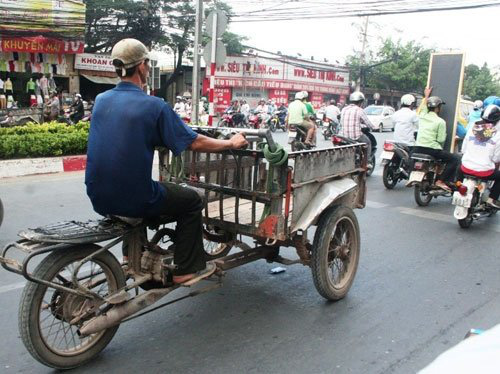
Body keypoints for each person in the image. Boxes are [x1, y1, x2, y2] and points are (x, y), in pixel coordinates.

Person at [85, 38, 248, 285]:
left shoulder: (101, 100)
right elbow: (193, 142)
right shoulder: (154, 106)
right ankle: (185, 269)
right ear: (141, 66)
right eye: (147, 64)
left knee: (140, 189)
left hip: (97, 195)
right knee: (192, 200)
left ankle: (133, 256)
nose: (148, 68)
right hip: (134, 198)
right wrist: (230, 143)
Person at [412, 87, 460, 191]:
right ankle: (441, 180)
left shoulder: (422, 115)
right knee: (455, 159)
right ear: (438, 108)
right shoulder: (440, 122)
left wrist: (426, 96)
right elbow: (441, 139)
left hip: (417, 148)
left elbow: (423, 107)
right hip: (432, 149)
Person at [459, 104, 500, 209]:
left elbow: (463, 149)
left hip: (465, 168)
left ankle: (456, 187)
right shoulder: (497, 135)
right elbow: (496, 158)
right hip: (484, 171)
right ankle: (491, 199)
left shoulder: (472, 128)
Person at [339, 91, 375, 159]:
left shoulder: (344, 109)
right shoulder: (359, 110)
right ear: (360, 102)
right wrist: (373, 127)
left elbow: (342, 122)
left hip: (343, 136)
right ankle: (366, 162)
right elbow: (368, 123)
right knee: (368, 143)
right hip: (356, 136)